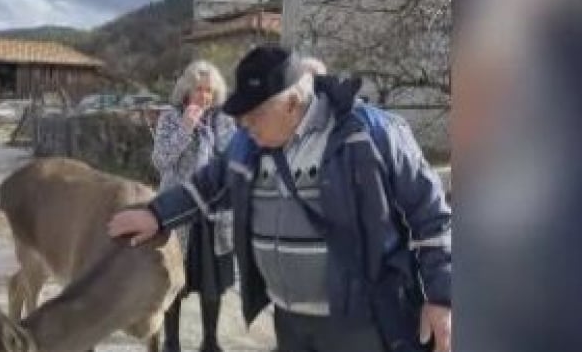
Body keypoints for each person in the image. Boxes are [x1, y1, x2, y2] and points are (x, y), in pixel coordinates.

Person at [110, 45, 452, 352]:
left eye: (254, 115)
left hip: (362, 321)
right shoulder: (250, 144)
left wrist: (442, 298)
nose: (245, 125)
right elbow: (209, 184)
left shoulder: (372, 134)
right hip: (290, 320)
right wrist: (156, 214)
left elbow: (432, 218)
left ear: (291, 103)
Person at [152, 60, 236, 352]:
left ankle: (210, 341)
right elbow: (161, 161)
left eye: (209, 91)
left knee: (212, 282)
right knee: (173, 280)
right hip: (177, 212)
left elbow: (231, 162)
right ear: (186, 91)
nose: (204, 96)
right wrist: (186, 127)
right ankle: (171, 342)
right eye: (198, 90)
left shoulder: (223, 121)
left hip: (213, 213)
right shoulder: (170, 118)